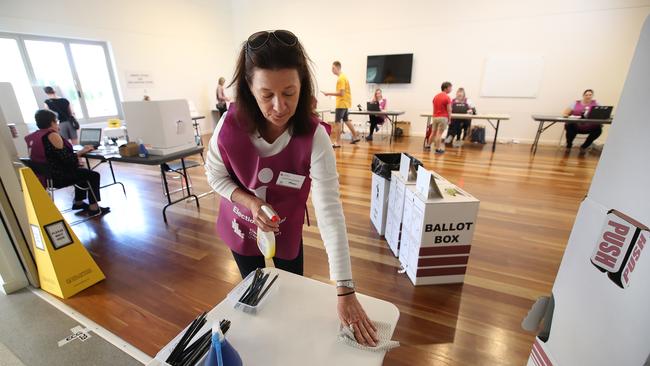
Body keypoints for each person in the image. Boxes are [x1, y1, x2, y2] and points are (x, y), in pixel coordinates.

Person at [204, 30, 378, 346]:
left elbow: (330, 213)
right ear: (248, 88)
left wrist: (345, 289)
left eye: (289, 92)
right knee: (251, 290)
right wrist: (250, 203)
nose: (280, 107)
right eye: (266, 94)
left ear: (303, 87)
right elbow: (215, 176)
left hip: (287, 225)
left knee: (292, 286)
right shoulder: (229, 127)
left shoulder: (314, 137)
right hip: (241, 224)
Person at [25, 109, 110, 216]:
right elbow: (68, 160)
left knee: (81, 172)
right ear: (52, 122)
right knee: (93, 175)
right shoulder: (52, 135)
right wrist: (82, 151)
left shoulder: (34, 137)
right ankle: (94, 208)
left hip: (46, 177)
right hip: (59, 177)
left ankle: (78, 203)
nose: (57, 123)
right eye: (56, 121)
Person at [322, 61, 361, 147]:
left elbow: (341, 93)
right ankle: (355, 136)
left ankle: (338, 142)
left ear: (337, 68)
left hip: (341, 103)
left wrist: (328, 93)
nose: (332, 70)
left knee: (337, 122)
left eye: (333, 68)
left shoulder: (341, 79)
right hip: (345, 103)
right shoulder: (344, 77)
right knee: (346, 120)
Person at [562, 89, 602, 154]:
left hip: (590, 127)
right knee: (569, 126)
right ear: (583, 95)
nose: (588, 96)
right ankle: (569, 146)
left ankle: (584, 147)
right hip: (576, 126)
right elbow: (565, 113)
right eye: (586, 95)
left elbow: (601, 114)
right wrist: (568, 116)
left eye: (590, 95)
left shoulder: (596, 103)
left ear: (592, 96)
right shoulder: (575, 103)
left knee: (598, 130)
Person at [426, 82, 453, 153]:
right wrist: (449, 119)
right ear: (446, 88)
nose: (451, 89)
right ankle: (438, 149)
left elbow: (434, 108)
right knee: (439, 134)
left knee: (433, 132)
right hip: (443, 118)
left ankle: (428, 146)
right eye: (450, 88)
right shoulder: (447, 97)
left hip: (435, 117)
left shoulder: (436, 96)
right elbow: (449, 110)